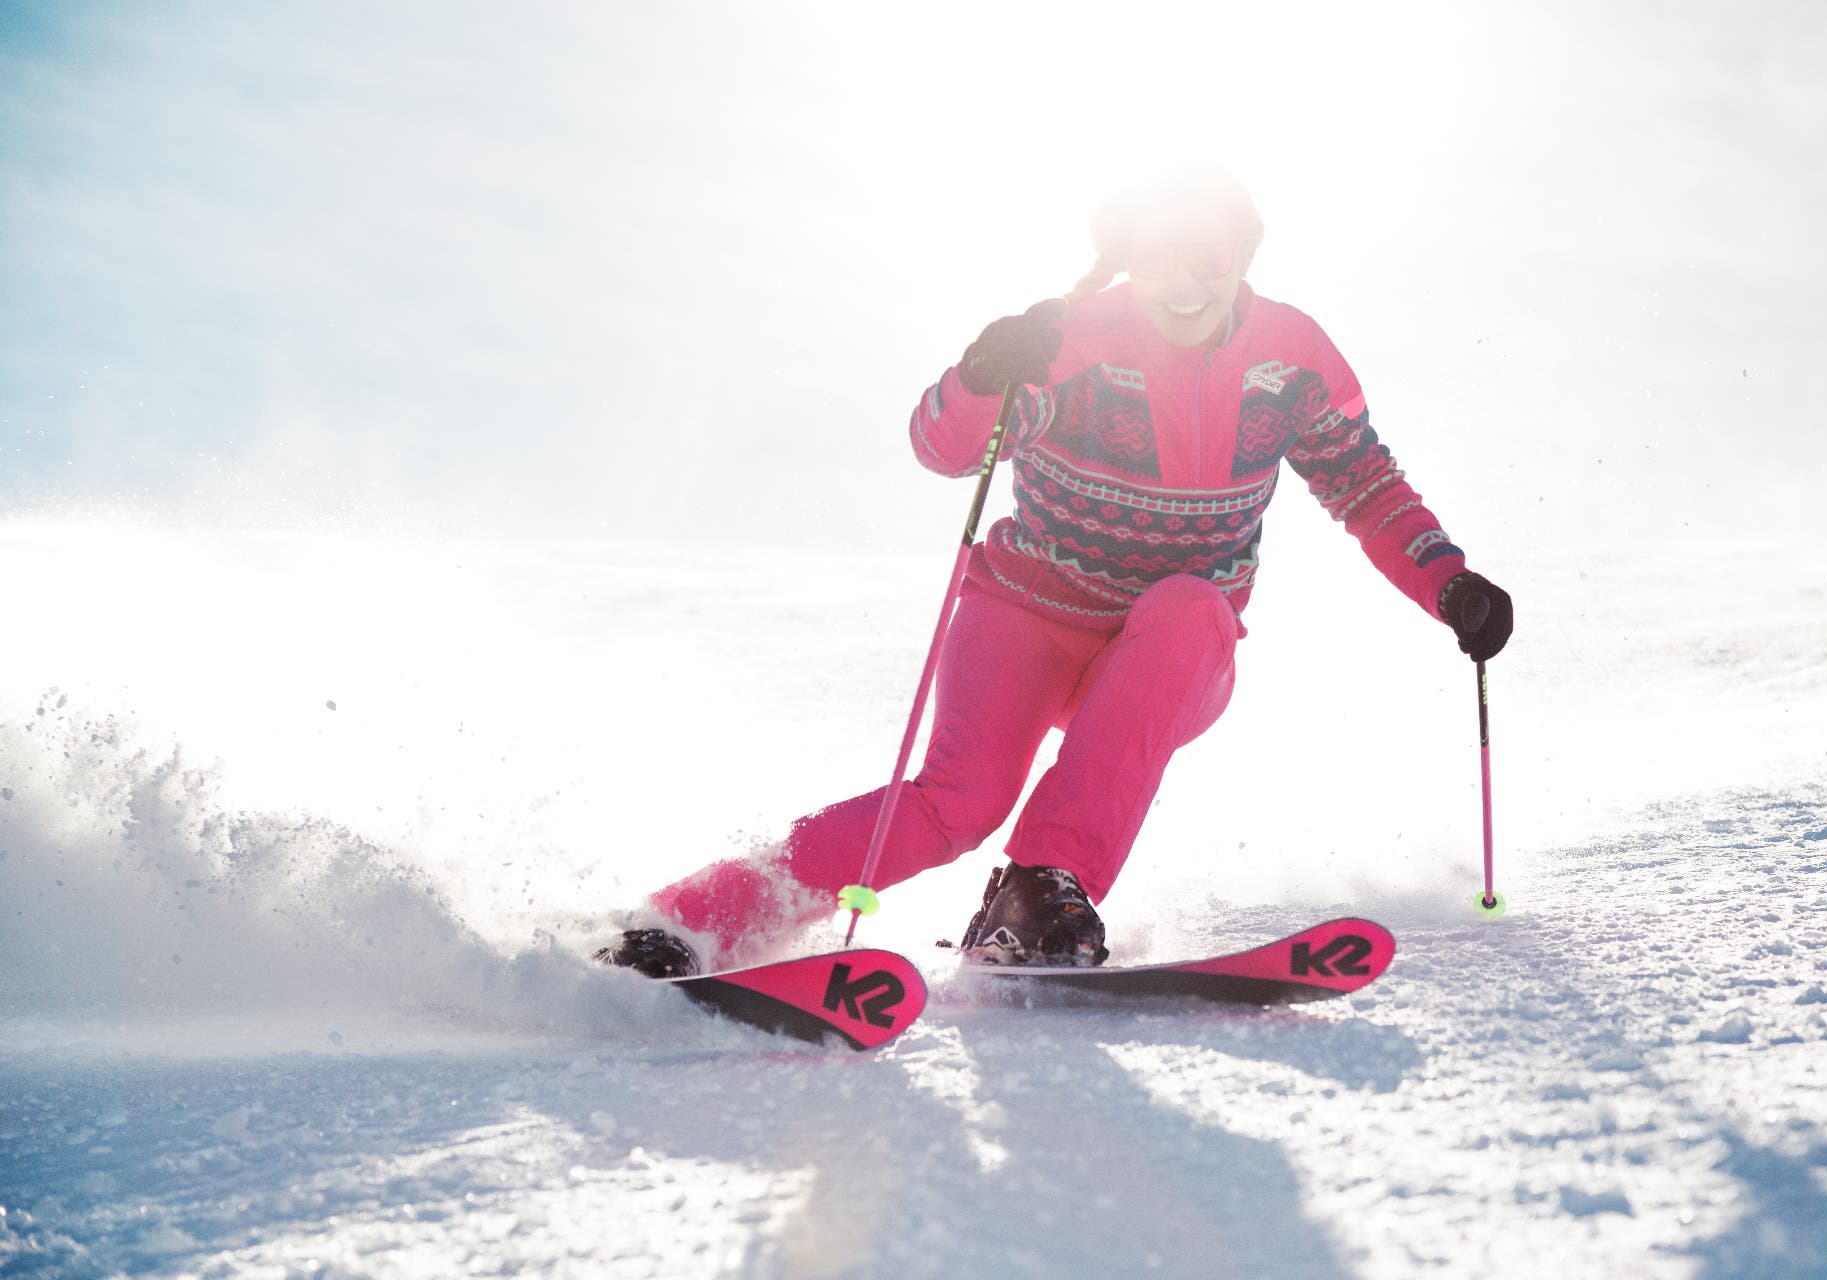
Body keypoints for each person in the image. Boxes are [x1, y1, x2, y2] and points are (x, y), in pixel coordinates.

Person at [597, 168, 1513, 978]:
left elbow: (1365, 484)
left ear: (1242, 257)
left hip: (1165, 652)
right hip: (1027, 614)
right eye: (1160, 259)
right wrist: (982, 377)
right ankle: (684, 927)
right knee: (960, 800)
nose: (1187, 282)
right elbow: (944, 450)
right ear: (1128, 263)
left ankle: (1039, 891)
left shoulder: (1292, 357)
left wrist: (1450, 583)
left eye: (1210, 257)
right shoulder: (1072, 339)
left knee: (1193, 606)